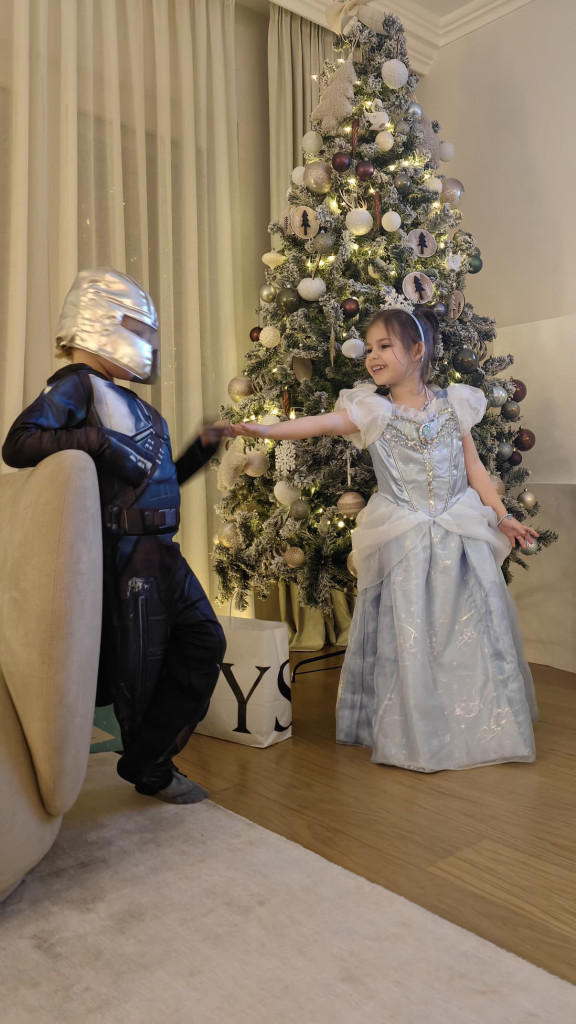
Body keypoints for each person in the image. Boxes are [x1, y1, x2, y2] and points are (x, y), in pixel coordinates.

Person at [234, 307, 539, 772]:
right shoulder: (373, 410)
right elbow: (320, 423)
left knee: (471, 626)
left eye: (384, 346)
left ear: (417, 351)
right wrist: (267, 430)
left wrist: (503, 516)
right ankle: (415, 729)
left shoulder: (454, 404)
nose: (372, 356)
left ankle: (484, 722)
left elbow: (475, 468)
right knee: (410, 630)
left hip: (459, 533)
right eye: (369, 348)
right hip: (405, 537)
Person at [2, 267, 229, 802]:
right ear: (100, 322)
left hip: (162, 551)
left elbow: (151, 481)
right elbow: (19, 443)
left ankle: (147, 759)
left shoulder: (136, 405)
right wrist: (98, 442)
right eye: (136, 329)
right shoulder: (77, 386)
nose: (145, 342)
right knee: (139, 672)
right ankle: (152, 770)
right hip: (127, 557)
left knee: (204, 640)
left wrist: (198, 452)